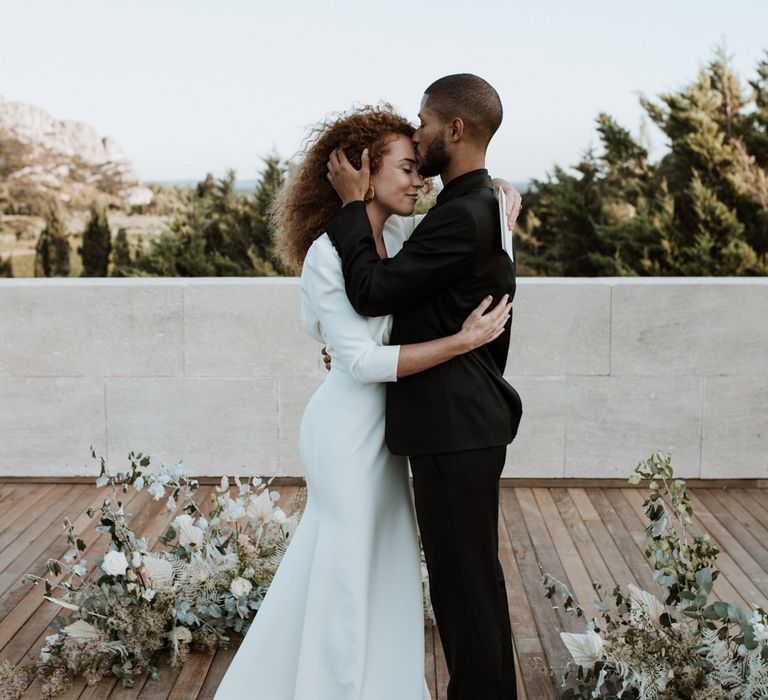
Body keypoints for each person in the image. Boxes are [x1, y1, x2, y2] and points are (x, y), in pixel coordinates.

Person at [213, 105, 519, 700]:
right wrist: (461, 341)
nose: (418, 180)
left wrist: (500, 193)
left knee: (388, 570)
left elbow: (448, 247)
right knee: (346, 570)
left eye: (417, 167)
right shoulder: (330, 252)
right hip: (347, 433)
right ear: (362, 173)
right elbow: (358, 359)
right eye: (405, 168)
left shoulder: (404, 233)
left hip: (394, 432)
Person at [323, 75, 523, 700]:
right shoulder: (480, 207)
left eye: (425, 121)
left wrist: (354, 206)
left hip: (453, 425)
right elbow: (415, 296)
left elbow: (373, 289)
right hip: (460, 423)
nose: (418, 131)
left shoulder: (465, 215)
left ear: (456, 131)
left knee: (465, 591)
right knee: (473, 587)